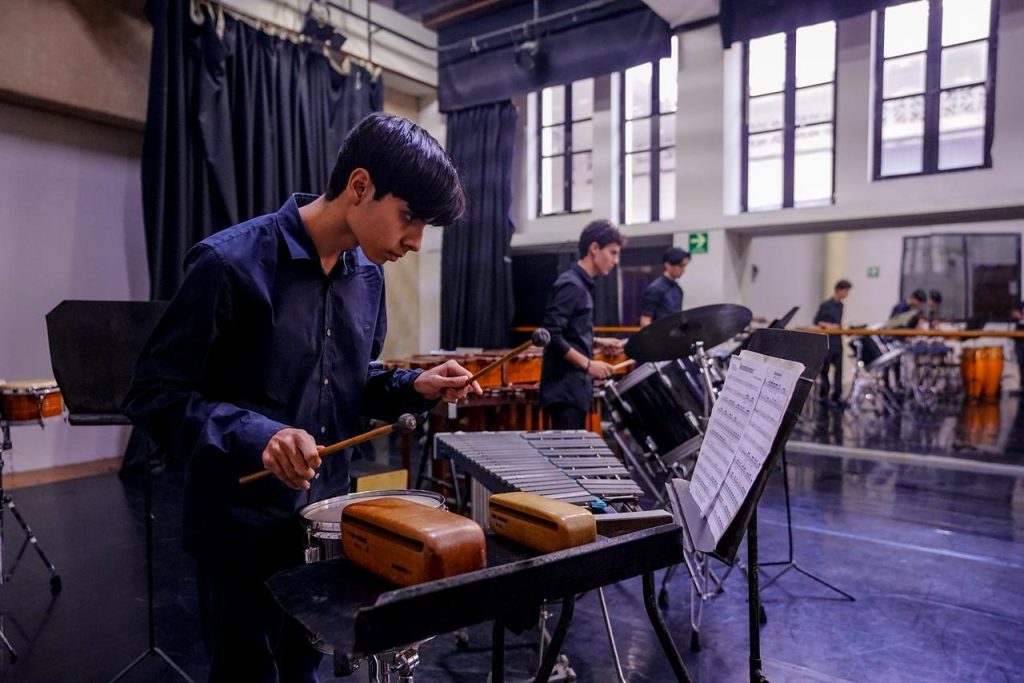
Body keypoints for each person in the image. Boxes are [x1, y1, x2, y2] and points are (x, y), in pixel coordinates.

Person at [123, 113, 481, 683]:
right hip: (239, 530)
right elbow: (153, 393)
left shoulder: (368, 279)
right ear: (359, 186)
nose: (415, 242)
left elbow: (350, 380)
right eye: (409, 217)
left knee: (303, 674)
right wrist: (258, 437)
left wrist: (412, 386)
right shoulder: (228, 263)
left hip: (325, 522)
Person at [540, 220, 626, 430]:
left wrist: (596, 341)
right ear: (594, 248)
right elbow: (551, 335)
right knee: (568, 450)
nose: (615, 260)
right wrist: (589, 365)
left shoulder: (581, 285)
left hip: (574, 390)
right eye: (613, 253)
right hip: (565, 391)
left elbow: (569, 331)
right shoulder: (572, 285)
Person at [814, 279, 852, 406]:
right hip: (828, 341)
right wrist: (830, 326)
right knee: (825, 370)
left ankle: (837, 396)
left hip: (837, 341)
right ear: (839, 290)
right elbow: (817, 321)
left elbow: (838, 323)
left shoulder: (841, 305)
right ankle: (824, 396)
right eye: (846, 291)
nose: (847, 294)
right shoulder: (826, 305)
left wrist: (841, 327)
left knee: (839, 370)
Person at [639, 246, 690, 327]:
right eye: (680, 266)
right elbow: (645, 322)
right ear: (667, 265)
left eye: (684, 266)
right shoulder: (654, 289)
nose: (683, 270)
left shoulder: (678, 289)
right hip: (659, 334)